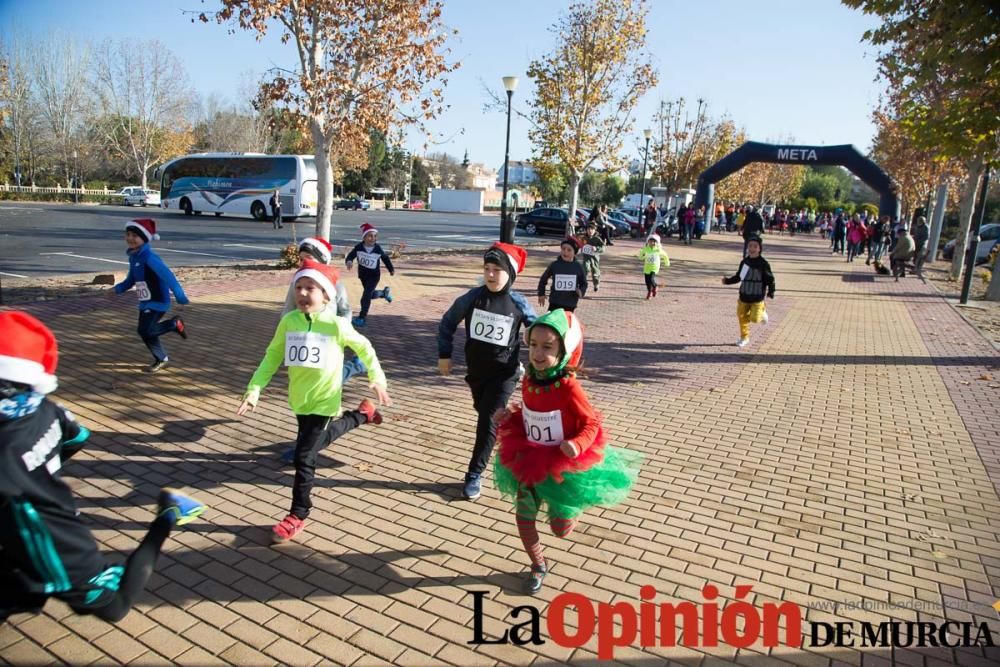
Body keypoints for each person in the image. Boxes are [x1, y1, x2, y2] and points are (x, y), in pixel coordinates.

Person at [0, 311, 205, 623]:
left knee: (115, 607)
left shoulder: (6, 451)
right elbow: (78, 436)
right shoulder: (45, 407)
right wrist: (43, 469)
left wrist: (37, 472)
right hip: (24, 533)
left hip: (60, 545)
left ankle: (169, 515)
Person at [238, 260, 390, 543]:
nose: (303, 293)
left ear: (326, 295)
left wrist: (377, 377)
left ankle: (298, 514)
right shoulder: (289, 321)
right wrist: (254, 389)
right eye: (299, 287)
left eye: (311, 288)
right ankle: (363, 415)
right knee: (319, 439)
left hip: (325, 399)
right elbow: (273, 355)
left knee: (304, 457)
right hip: (300, 400)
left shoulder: (335, 325)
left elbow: (365, 347)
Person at [492, 309, 641, 593]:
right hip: (530, 458)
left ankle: (568, 514)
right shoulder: (529, 380)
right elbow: (530, 413)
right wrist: (508, 418)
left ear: (564, 351)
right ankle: (538, 565)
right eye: (533, 345)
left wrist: (577, 444)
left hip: (563, 465)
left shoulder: (570, 388)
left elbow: (591, 423)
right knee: (524, 518)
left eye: (547, 347)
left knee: (560, 529)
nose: (537, 353)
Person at [437, 243, 536, 500]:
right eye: (487, 269)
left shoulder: (518, 302)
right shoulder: (472, 298)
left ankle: (473, 474)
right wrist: (444, 354)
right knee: (484, 412)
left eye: (497, 270)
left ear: (510, 274)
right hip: (477, 373)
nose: (491, 275)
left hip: (505, 373)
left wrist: (537, 344)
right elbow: (447, 323)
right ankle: (506, 432)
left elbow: (537, 328)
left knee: (488, 421)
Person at [108, 219, 189, 373]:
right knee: (146, 331)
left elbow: (168, 276)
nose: (130, 238)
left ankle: (173, 324)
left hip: (158, 301)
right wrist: (116, 289)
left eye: (135, 236)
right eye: (128, 234)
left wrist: (180, 296)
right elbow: (131, 279)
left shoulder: (150, 258)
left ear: (144, 238)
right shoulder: (135, 257)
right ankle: (161, 358)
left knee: (145, 330)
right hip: (145, 302)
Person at [721, 235, 775, 348]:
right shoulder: (745, 262)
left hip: (757, 297)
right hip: (744, 295)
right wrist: (727, 281)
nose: (752, 248)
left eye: (755, 246)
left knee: (755, 319)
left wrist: (771, 291)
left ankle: (762, 311)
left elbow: (770, 279)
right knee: (742, 317)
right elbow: (739, 277)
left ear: (759, 248)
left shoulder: (763, 264)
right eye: (750, 246)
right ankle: (744, 337)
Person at [345, 223, 395, 327]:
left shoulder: (377, 248)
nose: (373, 238)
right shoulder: (359, 247)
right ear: (364, 237)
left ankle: (362, 318)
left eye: (375, 236)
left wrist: (391, 269)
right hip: (363, 276)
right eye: (370, 236)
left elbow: (385, 258)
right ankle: (383, 293)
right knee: (370, 295)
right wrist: (349, 261)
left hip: (374, 276)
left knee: (365, 296)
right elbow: (351, 255)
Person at [538, 237, 587, 312]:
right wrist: (541, 293)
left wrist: (581, 291)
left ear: (575, 253)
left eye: (569, 250)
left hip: (570, 303)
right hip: (555, 302)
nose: (565, 252)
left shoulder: (578, 267)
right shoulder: (554, 265)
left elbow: (584, 283)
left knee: (566, 322)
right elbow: (543, 279)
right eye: (563, 249)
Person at [638, 233, 671, 299]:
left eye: (654, 242)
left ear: (657, 243)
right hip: (647, 267)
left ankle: (655, 287)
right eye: (651, 241)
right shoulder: (646, 249)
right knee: (647, 281)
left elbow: (665, 255)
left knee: (651, 278)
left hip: (655, 266)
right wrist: (642, 256)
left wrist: (667, 262)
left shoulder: (658, 250)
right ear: (648, 242)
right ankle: (649, 291)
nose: (652, 243)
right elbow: (641, 256)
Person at [578, 222, 605, 292]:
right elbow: (579, 245)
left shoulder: (597, 239)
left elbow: (603, 248)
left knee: (595, 273)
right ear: (586, 230)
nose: (590, 231)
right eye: (589, 229)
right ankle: (582, 285)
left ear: (595, 230)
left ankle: (596, 284)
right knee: (585, 269)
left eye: (592, 229)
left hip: (594, 258)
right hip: (586, 258)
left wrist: (596, 248)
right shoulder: (584, 238)